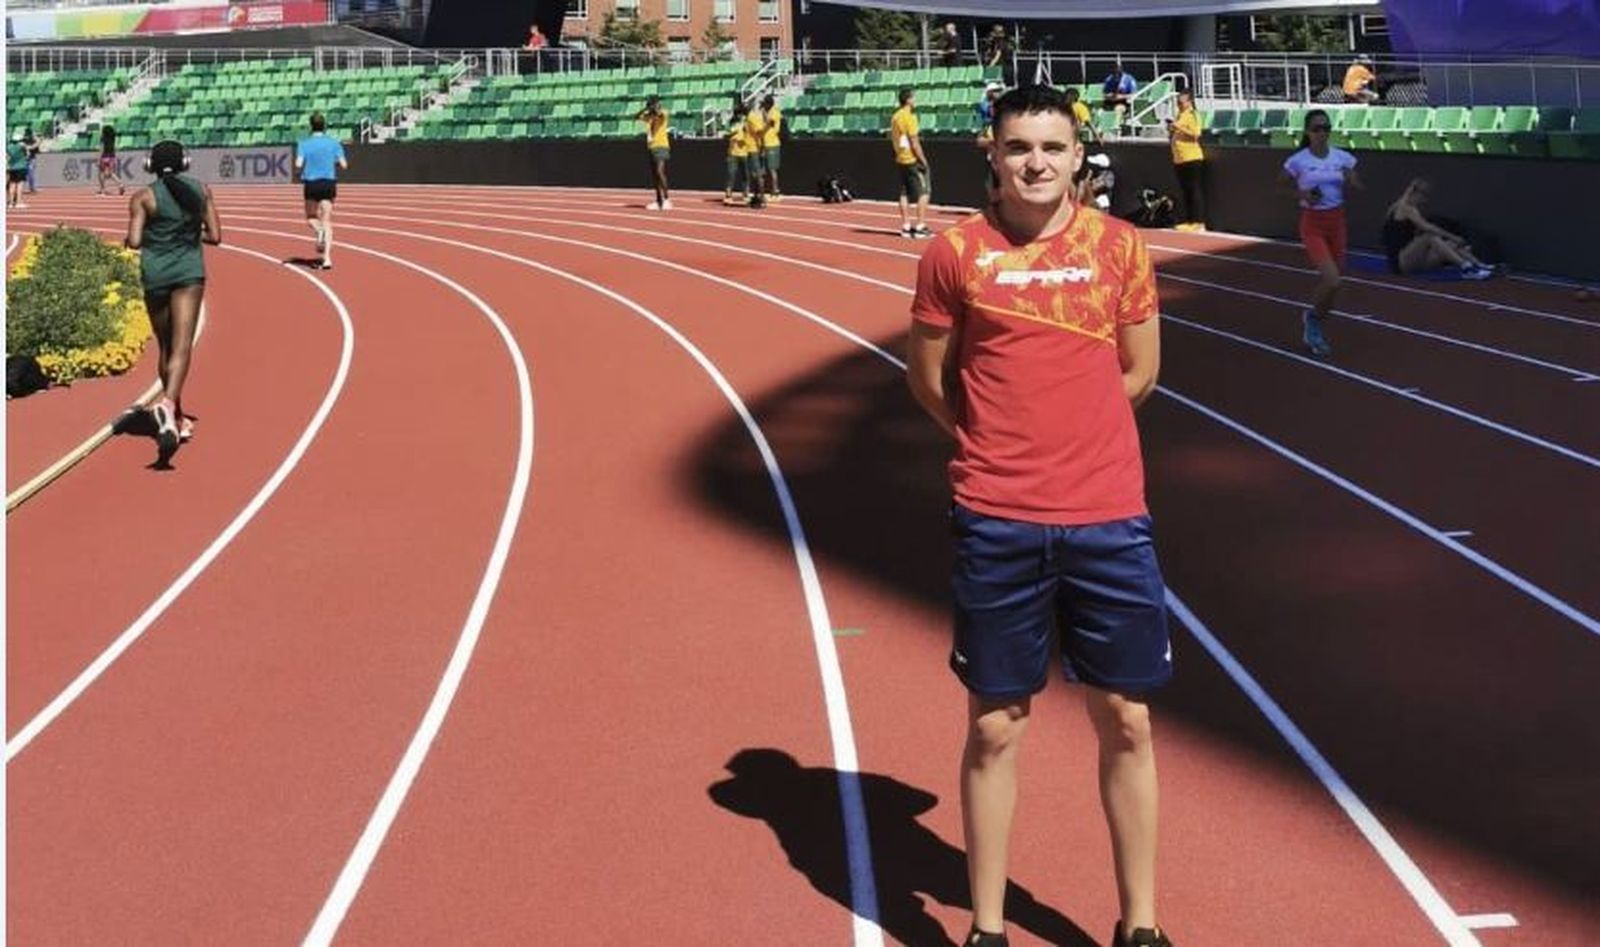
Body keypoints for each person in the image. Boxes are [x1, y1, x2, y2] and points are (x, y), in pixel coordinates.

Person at [906, 84, 1175, 947]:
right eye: (1020, 146)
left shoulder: (1121, 248)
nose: (1036, 164)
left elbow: (1140, 373)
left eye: (1053, 149)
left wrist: (1075, 441)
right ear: (992, 152)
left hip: (1107, 517)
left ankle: (1140, 923)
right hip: (997, 517)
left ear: (1077, 156)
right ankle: (987, 927)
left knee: (1127, 720)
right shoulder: (954, 254)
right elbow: (929, 379)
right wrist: (995, 443)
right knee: (995, 723)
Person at [124, 140, 222, 466]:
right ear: (186, 162)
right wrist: (189, 235)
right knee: (182, 346)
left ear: (149, 164)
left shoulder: (143, 197)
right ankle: (168, 407)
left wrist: (147, 236)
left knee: (165, 346)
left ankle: (174, 413)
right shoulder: (201, 190)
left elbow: (135, 241)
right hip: (188, 273)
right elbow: (216, 236)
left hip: (155, 275)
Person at [1280, 109, 1364, 358]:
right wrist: (1303, 194)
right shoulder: (1298, 161)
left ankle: (1315, 320)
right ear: (1307, 132)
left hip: (1336, 222)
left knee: (1335, 288)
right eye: (1317, 129)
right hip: (1313, 224)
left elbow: (1357, 183)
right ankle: (1313, 322)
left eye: (1326, 128)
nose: (1323, 133)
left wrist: (1353, 181)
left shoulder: (1342, 157)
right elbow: (1278, 187)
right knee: (1332, 280)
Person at [1383, 178, 1493, 279]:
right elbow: (1427, 227)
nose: (1425, 200)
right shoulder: (1405, 208)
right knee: (1429, 236)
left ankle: (1480, 265)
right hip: (1400, 262)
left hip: (1414, 259)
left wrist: (1452, 240)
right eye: (1424, 196)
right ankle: (1466, 268)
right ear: (1416, 194)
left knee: (1451, 244)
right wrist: (1453, 236)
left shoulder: (1411, 208)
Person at [295, 112, 347, 270]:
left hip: (311, 183)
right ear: (324, 126)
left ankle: (319, 232)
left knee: (311, 217)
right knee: (327, 221)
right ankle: (327, 259)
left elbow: (298, 164)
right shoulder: (333, 143)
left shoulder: (304, 144)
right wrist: (332, 164)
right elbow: (344, 164)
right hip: (328, 183)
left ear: (311, 126)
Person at [890, 87, 932, 238]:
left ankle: (906, 225)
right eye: (914, 98)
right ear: (908, 100)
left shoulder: (895, 116)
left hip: (901, 158)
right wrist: (923, 160)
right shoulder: (910, 117)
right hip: (912, 159)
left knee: (904, 192)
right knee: (924, 191)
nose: (915, 101)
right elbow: (914, 142)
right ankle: (920, 225)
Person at [1165, 91, 1206, 231]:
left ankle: (1199, 222)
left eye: (1181, 103)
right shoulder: (1180, 115)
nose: (1179, 105)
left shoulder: (1193, 114)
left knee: (1194, 190)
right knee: (1186, 191)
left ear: (1189, 102)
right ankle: (1189, 221)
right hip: (1179, 158)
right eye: (1178, 103)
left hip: (1192, 157)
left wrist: (1178, 127)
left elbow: (1196, 133)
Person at [637, 95, 672, 210]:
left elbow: (660, 115)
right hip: (651, 147)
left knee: (660, 171)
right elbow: (636, 116)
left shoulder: (663, 113)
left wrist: (655, 109)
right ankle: (658, 200)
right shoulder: (649, 117)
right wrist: (645, 109)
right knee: (655, 176)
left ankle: (667, 199)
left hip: (661, 145)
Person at [723, 101, 755, 206]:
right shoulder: (731, 122)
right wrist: (733, 133)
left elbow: (751, 133)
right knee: (731, 174)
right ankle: (728, 194)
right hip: (733, 152)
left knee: (745, 174)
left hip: (744, 151)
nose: (740, 114)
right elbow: (726, 135)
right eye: (738, 112)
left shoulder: (747, 121)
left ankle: (745, 193)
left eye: (741, 112)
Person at [742, 98, 769, 209]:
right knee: (755, 175)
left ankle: (761, 198)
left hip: (753, 149)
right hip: (751, 148)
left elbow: (759, 132)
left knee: (757, 175)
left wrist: (762, 147)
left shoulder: (752, 118)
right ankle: (757, 196)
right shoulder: (750, 117)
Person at [760, 94, 783, 201]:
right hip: (765, 143)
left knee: (772, 169)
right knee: (766, 170)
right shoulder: (767, 112)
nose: (763, 106)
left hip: (772, 143)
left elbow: (768, 124)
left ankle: (775, 191)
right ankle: (769, 191)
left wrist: (763, 115)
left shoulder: (774, 112)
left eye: (765, 104)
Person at [98, 123, 125, 197]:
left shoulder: (103, 138)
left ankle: (103, 190)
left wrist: (99, 157)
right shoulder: (113, 138)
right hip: (112, 156)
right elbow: (115, 147)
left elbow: (102, 148)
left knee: (101, 173)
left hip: (105, 156)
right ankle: (120, 184)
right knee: (111, 173)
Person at [6, 131, 29, 209]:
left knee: (12, 185)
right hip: (21, 167)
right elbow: (28, 154)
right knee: (19, 185)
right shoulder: (21, 146)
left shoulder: (9, 146)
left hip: (12, 167)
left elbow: (7, 156)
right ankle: (18, 202)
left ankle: (10, 203)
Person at [22, 126, 39, 194]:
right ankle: (32, 188)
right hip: (29, 159)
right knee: (30, 174)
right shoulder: (26, 140)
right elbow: (37, 144)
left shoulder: (24, 140)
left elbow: (36, 144)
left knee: (29, 174)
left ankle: (31, 188)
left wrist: (27, 148)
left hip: (29, 159)